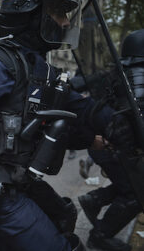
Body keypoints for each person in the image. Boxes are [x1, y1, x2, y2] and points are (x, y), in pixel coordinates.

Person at [0, 0, 137, 250]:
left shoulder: (39, 69)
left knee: (63, 218)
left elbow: (83, 109)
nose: (67, 21)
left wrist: (118, 124)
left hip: (19, 181)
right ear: (30, 14)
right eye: (59, 12)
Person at [77, 29, 144, 251]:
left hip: (108, 145)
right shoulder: (136, 76)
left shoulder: (118, 73)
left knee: (132, 186)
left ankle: (93, 200)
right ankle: (99, 237)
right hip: (111, 146)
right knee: (137, 195)